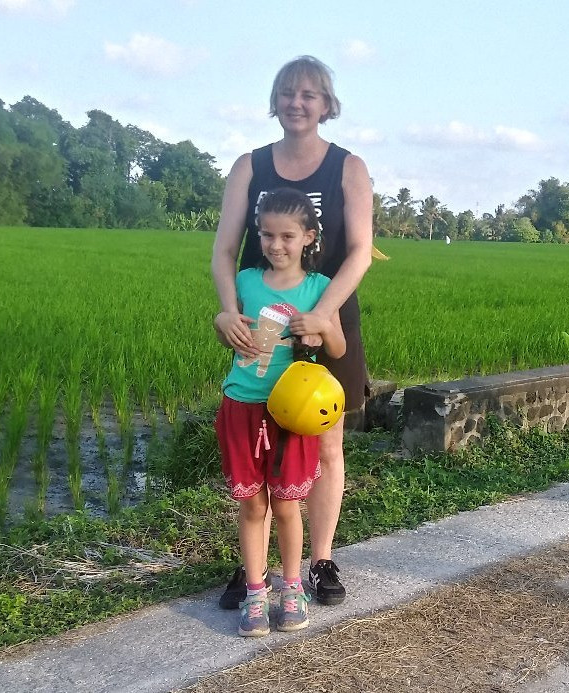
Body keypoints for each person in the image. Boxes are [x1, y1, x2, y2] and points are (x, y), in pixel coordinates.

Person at [211, 55, 373, 610]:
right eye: (287, 93)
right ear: (275, 101)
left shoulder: (348, 167)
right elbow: (225, 250)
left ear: (327, 104)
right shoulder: (250, 166)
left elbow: (359, 252)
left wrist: (324, 315)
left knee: (325, 440)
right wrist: (228, 311)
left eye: (309, 94)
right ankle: (254, 565)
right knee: (259, 435)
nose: (296, 103)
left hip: (326, 313)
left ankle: (319, 558)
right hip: (263, 324)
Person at [214, 187, 346, 637]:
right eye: (267, 234)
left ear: (308, 237)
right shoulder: (246, 281)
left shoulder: (320, 289)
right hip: (242, 406)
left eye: (288, 236)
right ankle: (256, 592)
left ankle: (292, 588)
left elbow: (340, 348)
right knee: (252, 505)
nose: (276, 244)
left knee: (289, 506)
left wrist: (322, 326)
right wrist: (222, 322)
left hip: (290, 417)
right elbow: (229, 331)